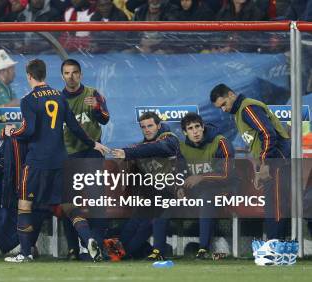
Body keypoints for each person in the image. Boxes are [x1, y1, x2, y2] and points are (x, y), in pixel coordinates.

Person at [4, 59, 109, 263]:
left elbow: (29, 130)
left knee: (25, 205)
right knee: (71, 207)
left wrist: (12, 131)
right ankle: (88, 241)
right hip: (61, 161)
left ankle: (25, 254)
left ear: (29, 76)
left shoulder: (29, 100)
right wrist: (92, 143)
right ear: (45, 74)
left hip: (37, 162)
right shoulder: (59, 97)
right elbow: (74, 126)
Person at [210, 83, 290, 240]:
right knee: (272, 205)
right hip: (271, 160)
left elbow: (267, 134)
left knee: (276, 204)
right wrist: (260, 168)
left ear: (231, 95)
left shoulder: (247, 108)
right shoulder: (239, 112)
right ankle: (276, 245)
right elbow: (256, 143)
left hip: (277, 160)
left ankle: (277, 246)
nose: (224, 109)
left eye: (224, 104)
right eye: (220, 108)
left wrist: (266, 163)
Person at [110, 111, 181, 261]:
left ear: (159, 126)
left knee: (146, 223)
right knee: (135, 221)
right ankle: (116, 253)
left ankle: (122, 254)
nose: (147, 129)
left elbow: (159, 148)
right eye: (143, 127)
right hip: (155, 196)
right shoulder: (140, 148)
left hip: (176, 193)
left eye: (150, 126)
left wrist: (128, 153)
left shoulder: (169, 139)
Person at [59, 59, 110, 260]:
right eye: (67, 73)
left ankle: (94, 246)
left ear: (80, 74)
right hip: (68, 155)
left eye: (74, 72)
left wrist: (97, 107)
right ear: (62, 75)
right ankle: (74, 248)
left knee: (98, 203)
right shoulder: (57, 98)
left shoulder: (93, 94)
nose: (71, 76)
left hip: (92, 154)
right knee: (68, 205)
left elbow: (105, 118)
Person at [178, 113, 236, 259]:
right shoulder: (182, 147)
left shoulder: (220, 142)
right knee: (162, 202)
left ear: (203, 127)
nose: (195, 131)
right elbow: (178, 172)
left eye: (197, 127)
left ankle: (203, 248)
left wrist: (201, 177)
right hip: (197, 189)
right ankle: (157, 251)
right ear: (185, 132)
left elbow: (226, 174)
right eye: (190, 128)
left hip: (223, 188)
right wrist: (178, 187)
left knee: (206, 197)